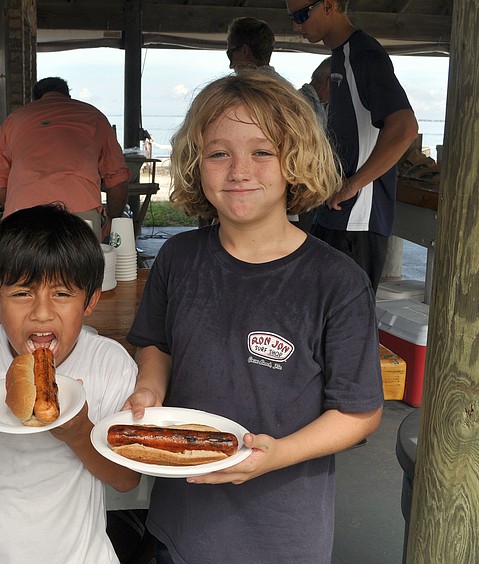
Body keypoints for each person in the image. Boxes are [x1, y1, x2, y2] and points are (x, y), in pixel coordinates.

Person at [123, 71, 384, 564]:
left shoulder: (337, 282)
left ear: (295, 163)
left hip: (280, 531)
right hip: (181, 515)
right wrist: (149, 388)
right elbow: (156, 342)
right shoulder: (177, 258)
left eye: (263, 152)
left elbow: (360, 412)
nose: (240, 170)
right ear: (197, 165)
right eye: (219, 153)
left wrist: (278, 454)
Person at [0, 204, 140, 563]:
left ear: (91, 301)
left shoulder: (109, 363)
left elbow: (127, 480)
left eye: (62, 294)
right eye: (22, 293)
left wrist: (80, 433)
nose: (42, 312)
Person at [287, 0, 420, 291]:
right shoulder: (339, 56)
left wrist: (352, 184)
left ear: (329, 6)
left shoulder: (364, 54)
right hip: (335, 213)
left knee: (346, 322)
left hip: (357, 221)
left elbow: (405, 127)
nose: (296, 25)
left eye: (301, 15)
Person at [0, 77, 130, 241]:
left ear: (34, 99)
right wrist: (111, 222)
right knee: (82, 267)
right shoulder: (94, 116)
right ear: (67, 96)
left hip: (23, 213)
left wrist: (19, 206)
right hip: (81, 214)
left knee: (24, 266)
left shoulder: (13, 120)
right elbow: (117, 181)